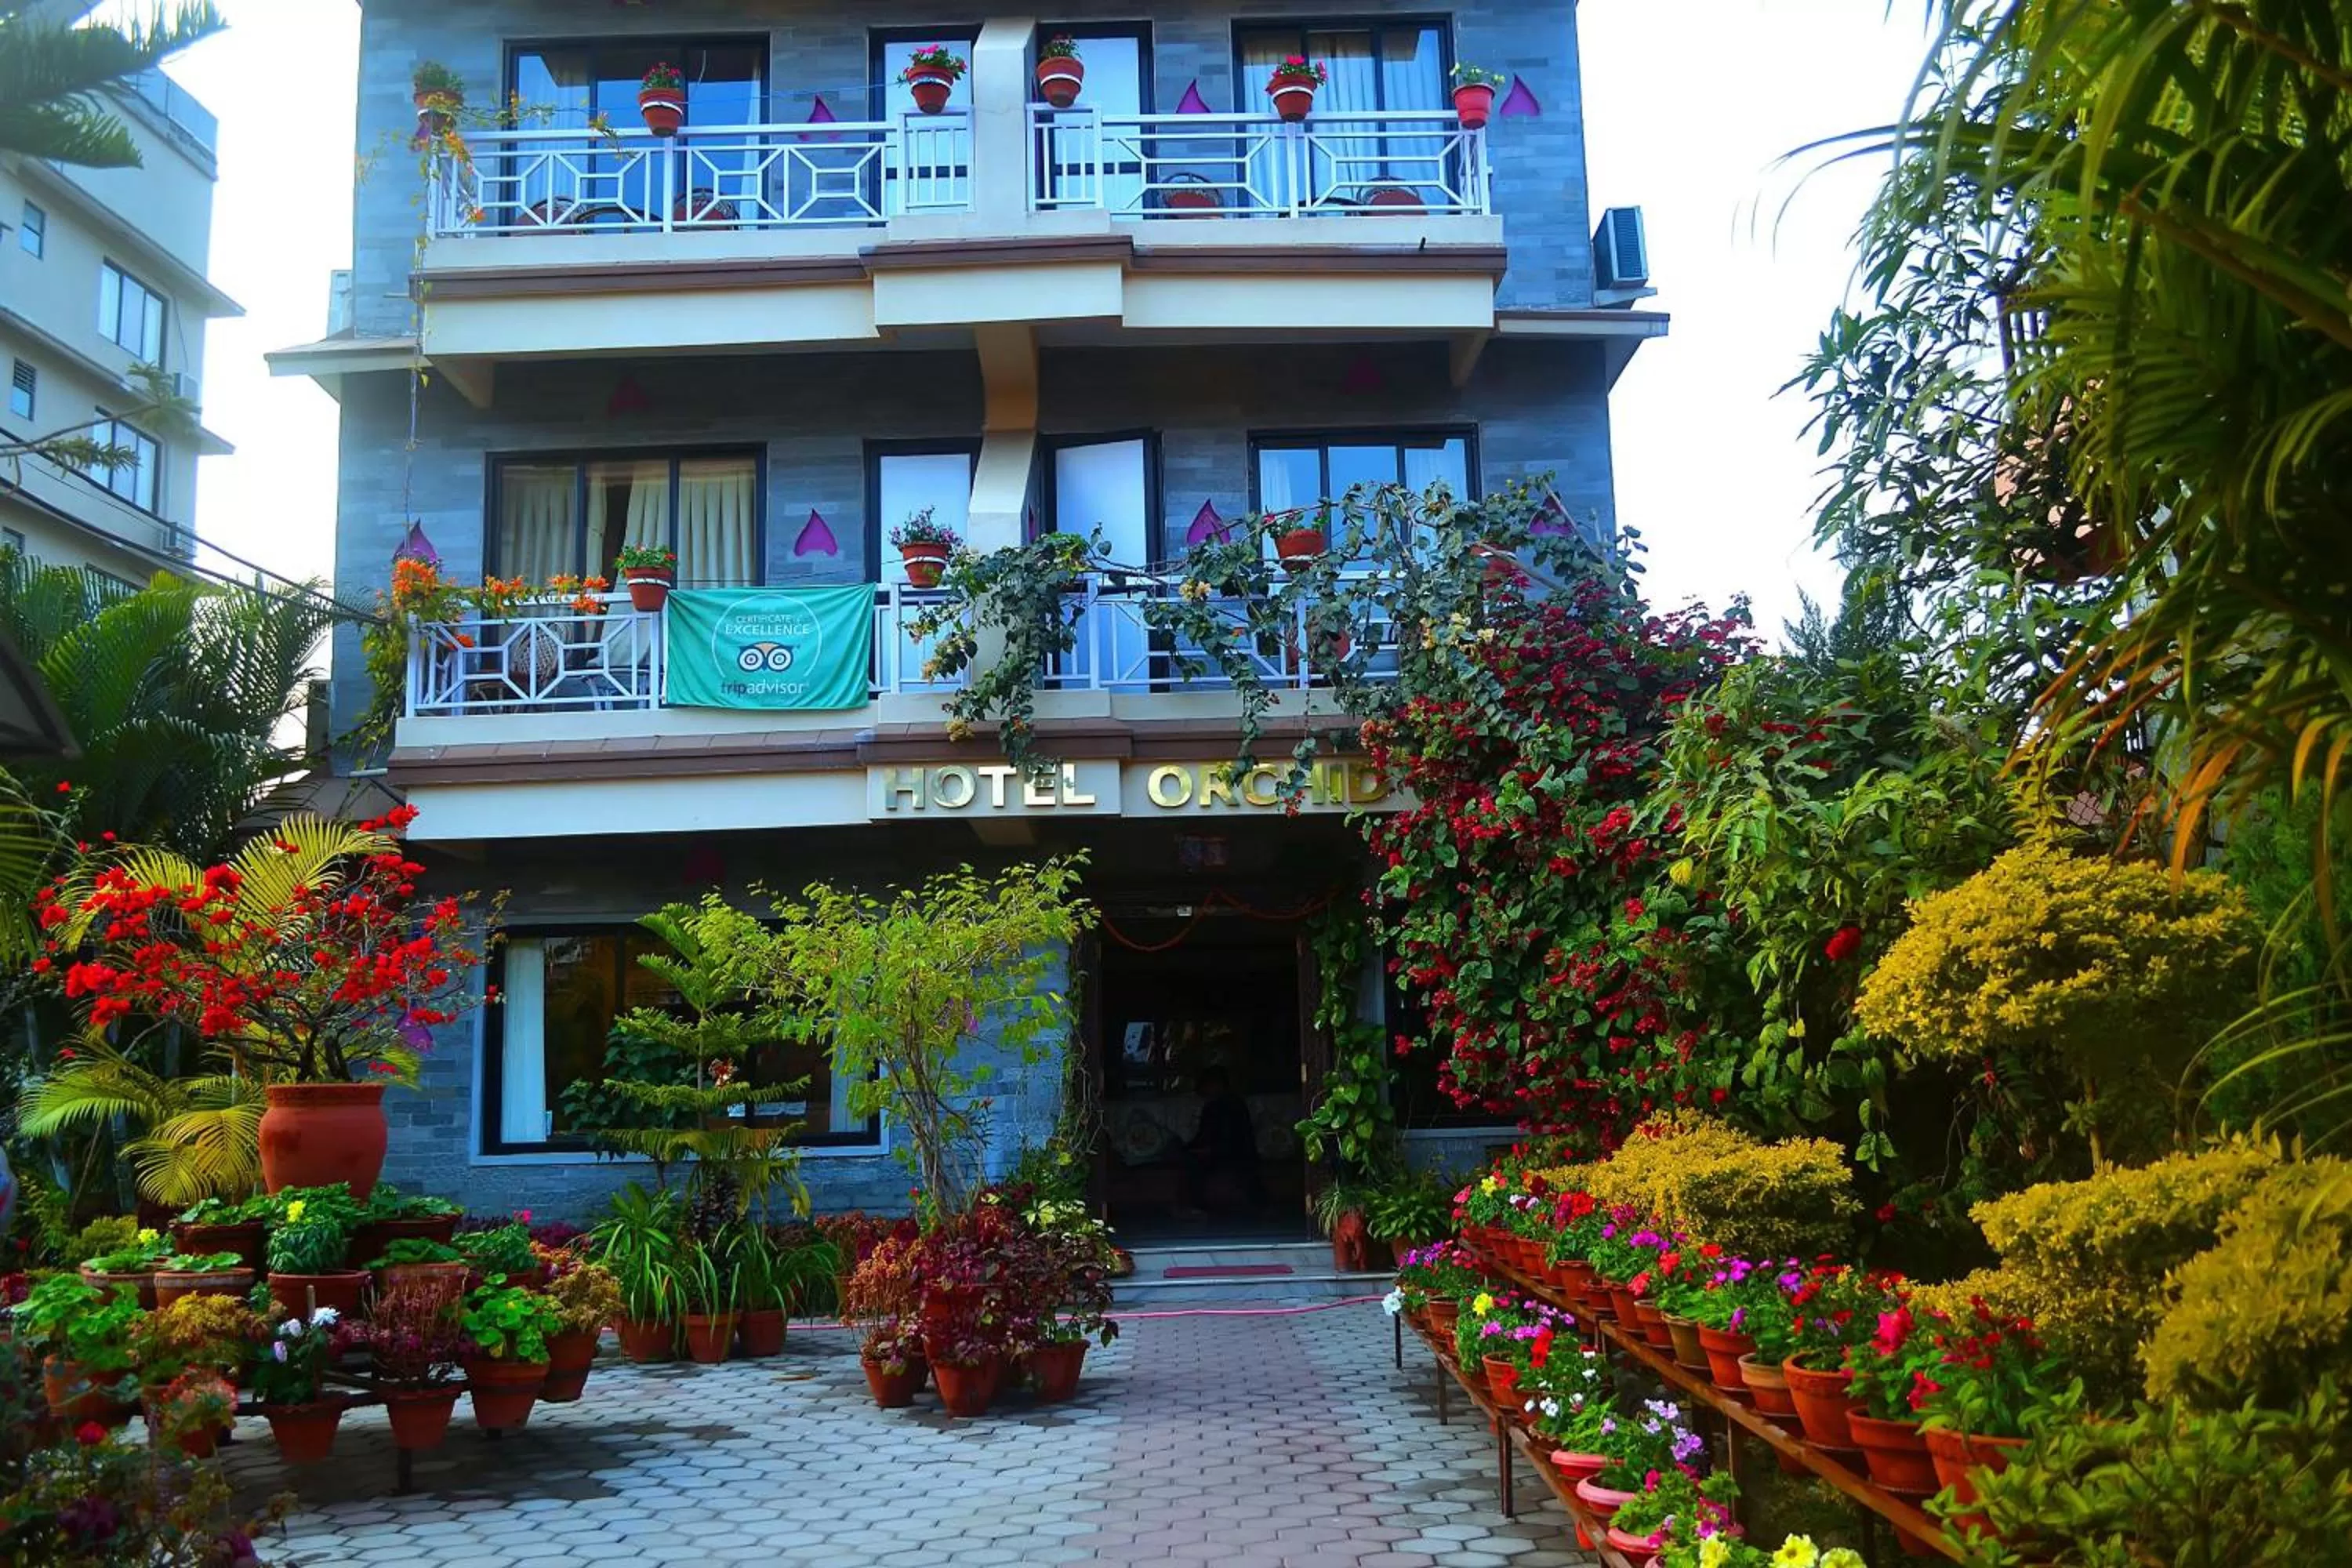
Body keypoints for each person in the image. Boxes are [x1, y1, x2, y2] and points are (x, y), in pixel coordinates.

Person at [1180, 1065, 1266, 1216]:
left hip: (1232, 1155)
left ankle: (1198, 1205)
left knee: (1194, 1165)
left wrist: (1208, 1150)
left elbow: (1232, 1140)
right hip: (1224, 1152)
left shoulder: (1230, 1105)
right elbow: (1205, 1136)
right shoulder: (1216, 1105)